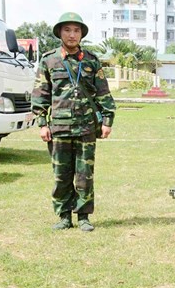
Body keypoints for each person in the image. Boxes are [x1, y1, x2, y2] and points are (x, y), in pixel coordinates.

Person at [31, 12, 116, 232]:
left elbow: (103, 93)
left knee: (85, 174)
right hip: (58, 127)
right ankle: (64, 216)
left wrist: (107, 120)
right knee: (61, 174)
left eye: (76, 30)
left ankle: (84, 216)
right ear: (60, 32)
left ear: (81, 34)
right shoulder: (49, 60)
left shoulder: (91, 60)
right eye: (67, 30)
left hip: (86, 126)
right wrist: (42, 123)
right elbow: (41, 94)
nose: (72, 35)